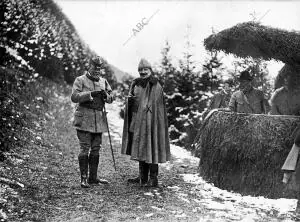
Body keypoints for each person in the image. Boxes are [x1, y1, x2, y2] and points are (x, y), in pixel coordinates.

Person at [121, 58, 170, 187]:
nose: (143, 72)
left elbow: (154, 104)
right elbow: (133, 100)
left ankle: (153, 178)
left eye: (145, 69)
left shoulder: (155, 85)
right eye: (140, 70)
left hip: (150, 122)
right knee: (140, 146)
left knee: (151, 145)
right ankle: (142, 176)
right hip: (137, 120)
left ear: (150, 70)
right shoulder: (136, 84)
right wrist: (129, 102)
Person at [71, 56, 114, 188]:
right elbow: (74, 97)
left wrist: (107, 96)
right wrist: (91, 94)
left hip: (98, 120)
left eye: (99, 68)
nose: (97, 70)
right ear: (89, 66)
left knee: (96, 149)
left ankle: (93, 178)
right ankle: (83, 178)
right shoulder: (80, 80)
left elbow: (111, 97)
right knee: (85, 148)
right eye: (95, 67)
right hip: (84, 119)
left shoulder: (103, 81)